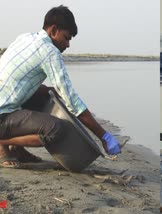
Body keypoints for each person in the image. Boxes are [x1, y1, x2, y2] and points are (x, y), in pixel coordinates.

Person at [0, 5, 121, 168]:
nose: (68, 44)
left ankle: (17, 148)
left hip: (5, 103)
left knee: (47, 93)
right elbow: (72, 102)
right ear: (54, 30)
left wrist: (53, 91)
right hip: (2, 115)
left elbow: (19, 80)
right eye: (67, 37)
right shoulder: (49, 52)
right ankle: (3, 142)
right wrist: (104, 136)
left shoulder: (25, 37)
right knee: (56, 130)